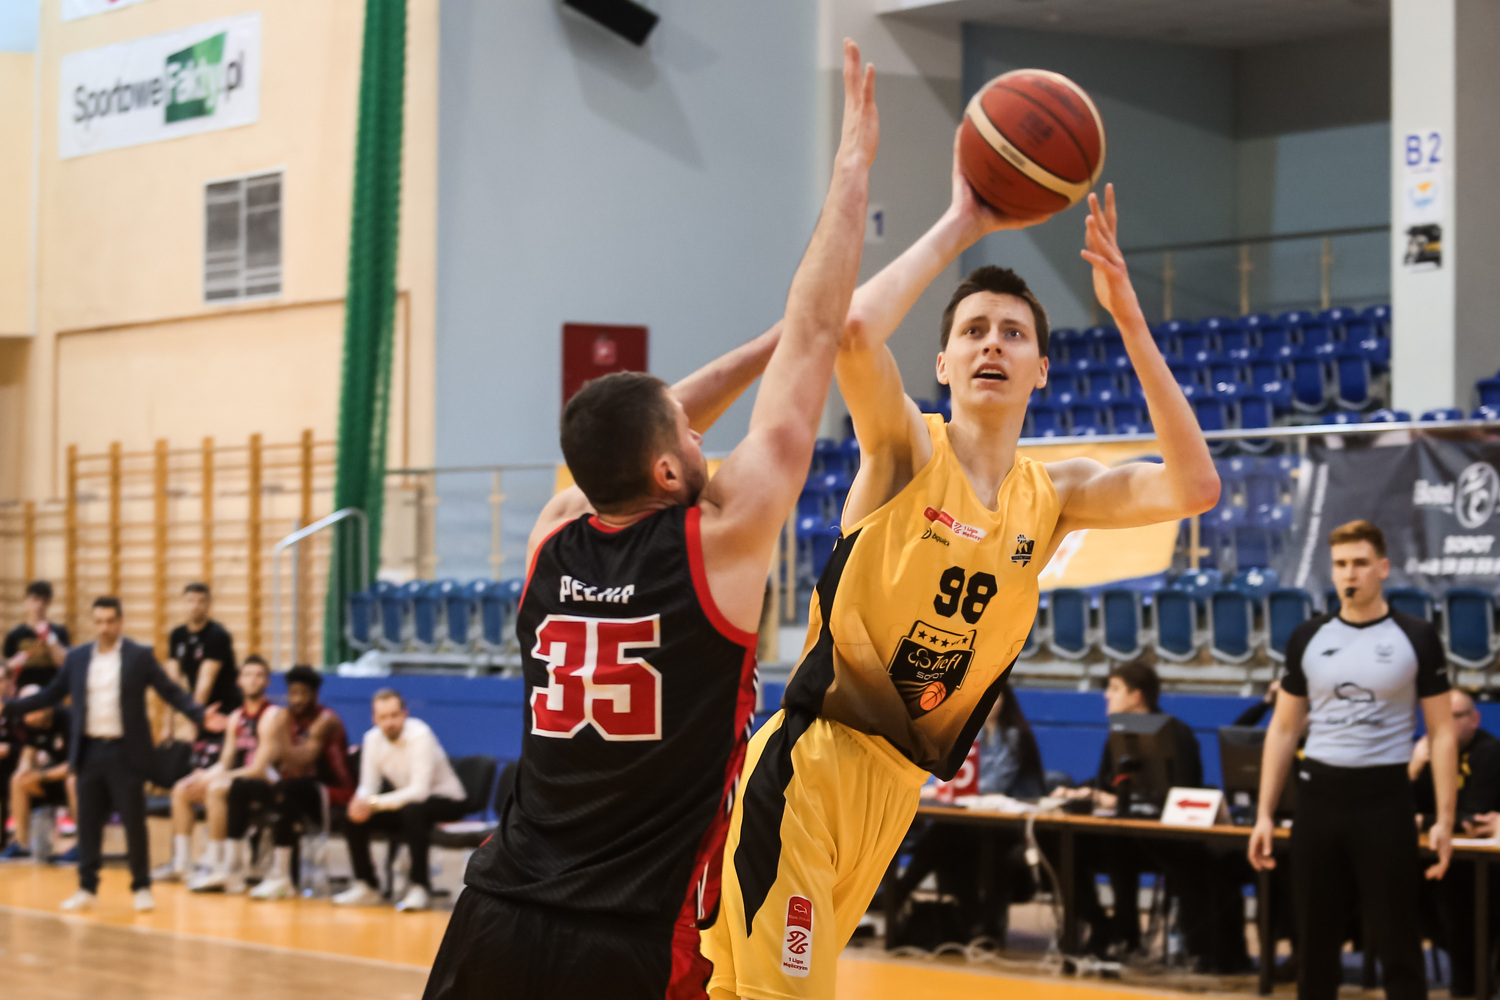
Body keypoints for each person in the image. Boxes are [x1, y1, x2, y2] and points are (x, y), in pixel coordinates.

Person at [703, 144, 1219, 996]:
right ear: (941, 363)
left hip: (896, 788)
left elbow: (1194, 486)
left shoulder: (1053, 497)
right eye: (972, 331)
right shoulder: (906, 449)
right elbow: (854, 332)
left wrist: (1129, 319)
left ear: (1041, 371)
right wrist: (963, 220)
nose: (992, 345)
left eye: (1013, 334)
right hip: (810, 765)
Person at [422, 40, 879, 1000]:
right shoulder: (719, 547)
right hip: (630, 934)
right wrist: (851, 169)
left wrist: (763, 349)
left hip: (497, 911)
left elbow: (641, 428)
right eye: (685, 430)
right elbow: (814, 337)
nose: (698, 424)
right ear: (668, 467)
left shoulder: (552, 531)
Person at [1249, 519, 1457, 1000]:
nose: (1350, 573)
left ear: (1383, 568)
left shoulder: (1416, 636)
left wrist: (1445, 818)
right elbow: (1283, 729)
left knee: (1398, 939)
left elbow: (1443, 732)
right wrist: (1264, 814)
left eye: (1361, 563)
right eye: (1341, 564)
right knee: (1314, 942)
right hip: (1318, 800)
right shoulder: (1308, 637)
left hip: (1385, 800)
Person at [4, 596, 224, 911]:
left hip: (126, 751)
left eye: (110, 621)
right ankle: (87, 887)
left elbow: (169, 690)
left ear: (120, 622)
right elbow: (50, 694)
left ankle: (141, 886)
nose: (104, 628)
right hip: (89, 749)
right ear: (93, 623)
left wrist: (199, 715)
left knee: (134, 821)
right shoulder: (77, 658)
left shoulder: (139, 656)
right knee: (88, 821)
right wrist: (8, 708)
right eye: (99, 622)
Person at [1052, 661, 1203, 957]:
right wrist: (1083, 792)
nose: (1106, 695)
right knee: (1061, 845)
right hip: (1122, 833)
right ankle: (1102, 925)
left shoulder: (1177, 733)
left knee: (1116, 845)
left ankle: (1125, 933)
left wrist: (1122, 798)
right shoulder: (1116, 735)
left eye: (1115, 688)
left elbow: (1187, 791)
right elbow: (1106, 783)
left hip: (1167, 840)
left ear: (1136, 696)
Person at [892, 679, 1046, 945]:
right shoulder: (977, 733)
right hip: (979, 821)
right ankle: (971, 919)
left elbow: (993, 784)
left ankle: (899, 893)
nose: (988, 704)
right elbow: (957, 773)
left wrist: (945, 789)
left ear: (1005, 701)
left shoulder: (1015, 736)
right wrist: (939, 787)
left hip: (1014, 826)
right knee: (946, 837)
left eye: (995, 698)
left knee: (946, 835)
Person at [220, 664, 354, 902]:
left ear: (315, 695)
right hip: (296, 788)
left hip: (332, 791)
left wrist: (279, 734)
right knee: (241, 786)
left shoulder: (326, 720)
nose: (297, 699)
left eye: (303, 693)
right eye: (293, 693)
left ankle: (282, 876)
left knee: (287, 789)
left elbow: (302, 760)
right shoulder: (287, 718)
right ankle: (232, 870)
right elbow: (275, 760)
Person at [334, 689, 467, 912]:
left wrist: (372, 803)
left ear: (405, 714)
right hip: (404, 802)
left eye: (394, 715)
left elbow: (419, 791)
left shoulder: (420, 734)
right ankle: (366, 885)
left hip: (446, 800)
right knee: (353, 819)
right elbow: (368, 785)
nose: (389, 722)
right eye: (383, 717)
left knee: (413, 812)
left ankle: (420, 886)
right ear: (374, 719)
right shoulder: (371, 739)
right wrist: (360, 802)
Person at [158, 655, 280, 884]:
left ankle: (216, 863)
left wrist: (218, 777)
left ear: (267, 681)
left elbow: (259, 768)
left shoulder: (272, 715)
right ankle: (182, 863)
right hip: (237, 780)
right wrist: (207, 775)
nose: (253, 680)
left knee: (216, 788)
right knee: (182, 788)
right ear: (239, 680)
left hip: (266, 782)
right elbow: (225, 761)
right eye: (248, 675)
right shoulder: (236, 717)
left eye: (259, 675)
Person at [1411, 689, 1500, 998]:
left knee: (1456, 894)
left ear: (1474, 719)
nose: (1444, 725)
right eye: (1438, 718)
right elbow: (1397, 811)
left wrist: (1422, 820)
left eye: (1454, 717)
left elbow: (1474, 819)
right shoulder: (1426, 752)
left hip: (1481, 864)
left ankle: (1474, 981)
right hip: (1438, 856)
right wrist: (1413, 769)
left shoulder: (1489, 752)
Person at [0, 685, 76, 861]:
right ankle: (21, 844)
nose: (27, 718)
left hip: (75, 779)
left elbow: (75, 765)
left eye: (32, 711)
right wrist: (25, 771)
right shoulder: (33, 723)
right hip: (51, 781)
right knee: (17, 780)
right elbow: (28, 753)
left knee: (74, 781)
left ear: (47, 706)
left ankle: (82, 847)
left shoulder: (67, 719)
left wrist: (40, 776)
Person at [4, 580, 71, 690]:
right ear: (26, 602)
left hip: (52, 692)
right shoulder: (15, 634)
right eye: (35, 599)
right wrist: (13, 663)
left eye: (44, 601)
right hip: (23, 692)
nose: (39, 605)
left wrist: (49, 636)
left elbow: (65, 663)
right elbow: (5, 670)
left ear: (49, 603)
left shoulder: (59, 632)